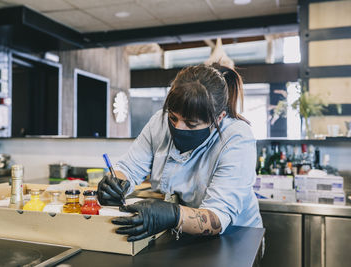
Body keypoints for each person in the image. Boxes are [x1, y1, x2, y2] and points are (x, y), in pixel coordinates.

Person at [98, 63, 263, 242]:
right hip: (188, 236)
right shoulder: (159, 123)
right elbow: (129, 168)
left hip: (237, 238)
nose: (178, 127)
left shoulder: (236, 138)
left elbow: (218, 216)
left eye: (191, 124)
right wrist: (116, 184)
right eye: (173, 118)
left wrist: (174, 215)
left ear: (219, 118)